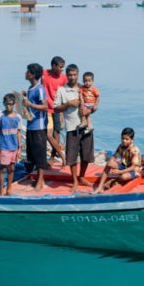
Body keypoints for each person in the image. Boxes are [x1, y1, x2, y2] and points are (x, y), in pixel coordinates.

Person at [54, 64, 93, 192]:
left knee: (86, 155)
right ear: (67, 75)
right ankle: (75, 181)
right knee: (72, 157)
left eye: (74, 75)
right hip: (71, 127)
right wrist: (68, 104)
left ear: (78, 74)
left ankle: (81, 176)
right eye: (70, 75)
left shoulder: (84, 88)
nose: (72, 77)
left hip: (86, 126)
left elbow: (94, 102)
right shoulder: (61, 90)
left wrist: (89, 111)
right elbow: (55, 108)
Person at [22, 63, 50, 192]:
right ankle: (39, 178)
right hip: (30, 125)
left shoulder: (40, 89)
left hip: (38, 126)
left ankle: (40, 181)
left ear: (32, 74)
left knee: (40, 155)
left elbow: (45, 107)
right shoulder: (30, 88)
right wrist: (25, 98)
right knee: (32, 154)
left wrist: (31, 104)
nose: (25, 73)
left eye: (27, 71)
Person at [95, 127, 141, 193]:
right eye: (122, 138)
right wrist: (110, 162)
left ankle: (111, 182)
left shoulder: (135, 150)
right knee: (109, 163)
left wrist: (119, 172)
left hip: (133, 170)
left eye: (126, 139)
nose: (124, 141)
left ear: (132, 140)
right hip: (124, 165)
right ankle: (100, 186)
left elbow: (133, 167)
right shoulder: (121, 146)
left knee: (124, 177)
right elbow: (114, 157)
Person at [0, 93, 22, 196]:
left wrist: (20, 148)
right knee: (3, 169)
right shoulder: (0, 116)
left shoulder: (18, 117)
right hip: (4, 147)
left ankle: (9, 188)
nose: (8, 106)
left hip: (14, 147)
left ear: (14, 104)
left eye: (10, 104)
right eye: (6, 104)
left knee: (12, 169)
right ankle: (1, 190)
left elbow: (19, 133)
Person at [43, 56, 68, 161]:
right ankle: (62, 155)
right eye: (60, 67)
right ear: (54, 66)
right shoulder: (43, 73)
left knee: (56, 132)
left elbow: (68, 90)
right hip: (46, 109)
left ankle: (53, 156)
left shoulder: (63, 78)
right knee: (48, 134)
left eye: (63, 67)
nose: (62, 70)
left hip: (58, 109)